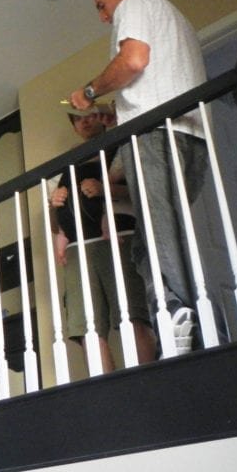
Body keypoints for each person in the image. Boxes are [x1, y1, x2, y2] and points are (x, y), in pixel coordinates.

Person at [68, 0, 208, 353]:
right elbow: (155, 76)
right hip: (191, 136)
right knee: (155, 240)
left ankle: (176, 317)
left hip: (156, 136)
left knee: (157, 237)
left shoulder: (134, 4)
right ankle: (192, 325)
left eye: (101, 5)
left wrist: (90, 91)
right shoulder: (174, 17)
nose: (103, 16)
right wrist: (119, 110)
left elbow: (133, 60)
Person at [50, 109, 156, 372]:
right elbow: (54, 222)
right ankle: (108, 389)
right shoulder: (64, 163)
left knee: (133, 315)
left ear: (103, 118)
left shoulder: (120, 147)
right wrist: (55, 202)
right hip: (77, 248)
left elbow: (144, 190)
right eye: (77, 119)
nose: (84, 121)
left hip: (118, 238)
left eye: (89, 115)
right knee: (87, 327)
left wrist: (105, 189)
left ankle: (150, 380)